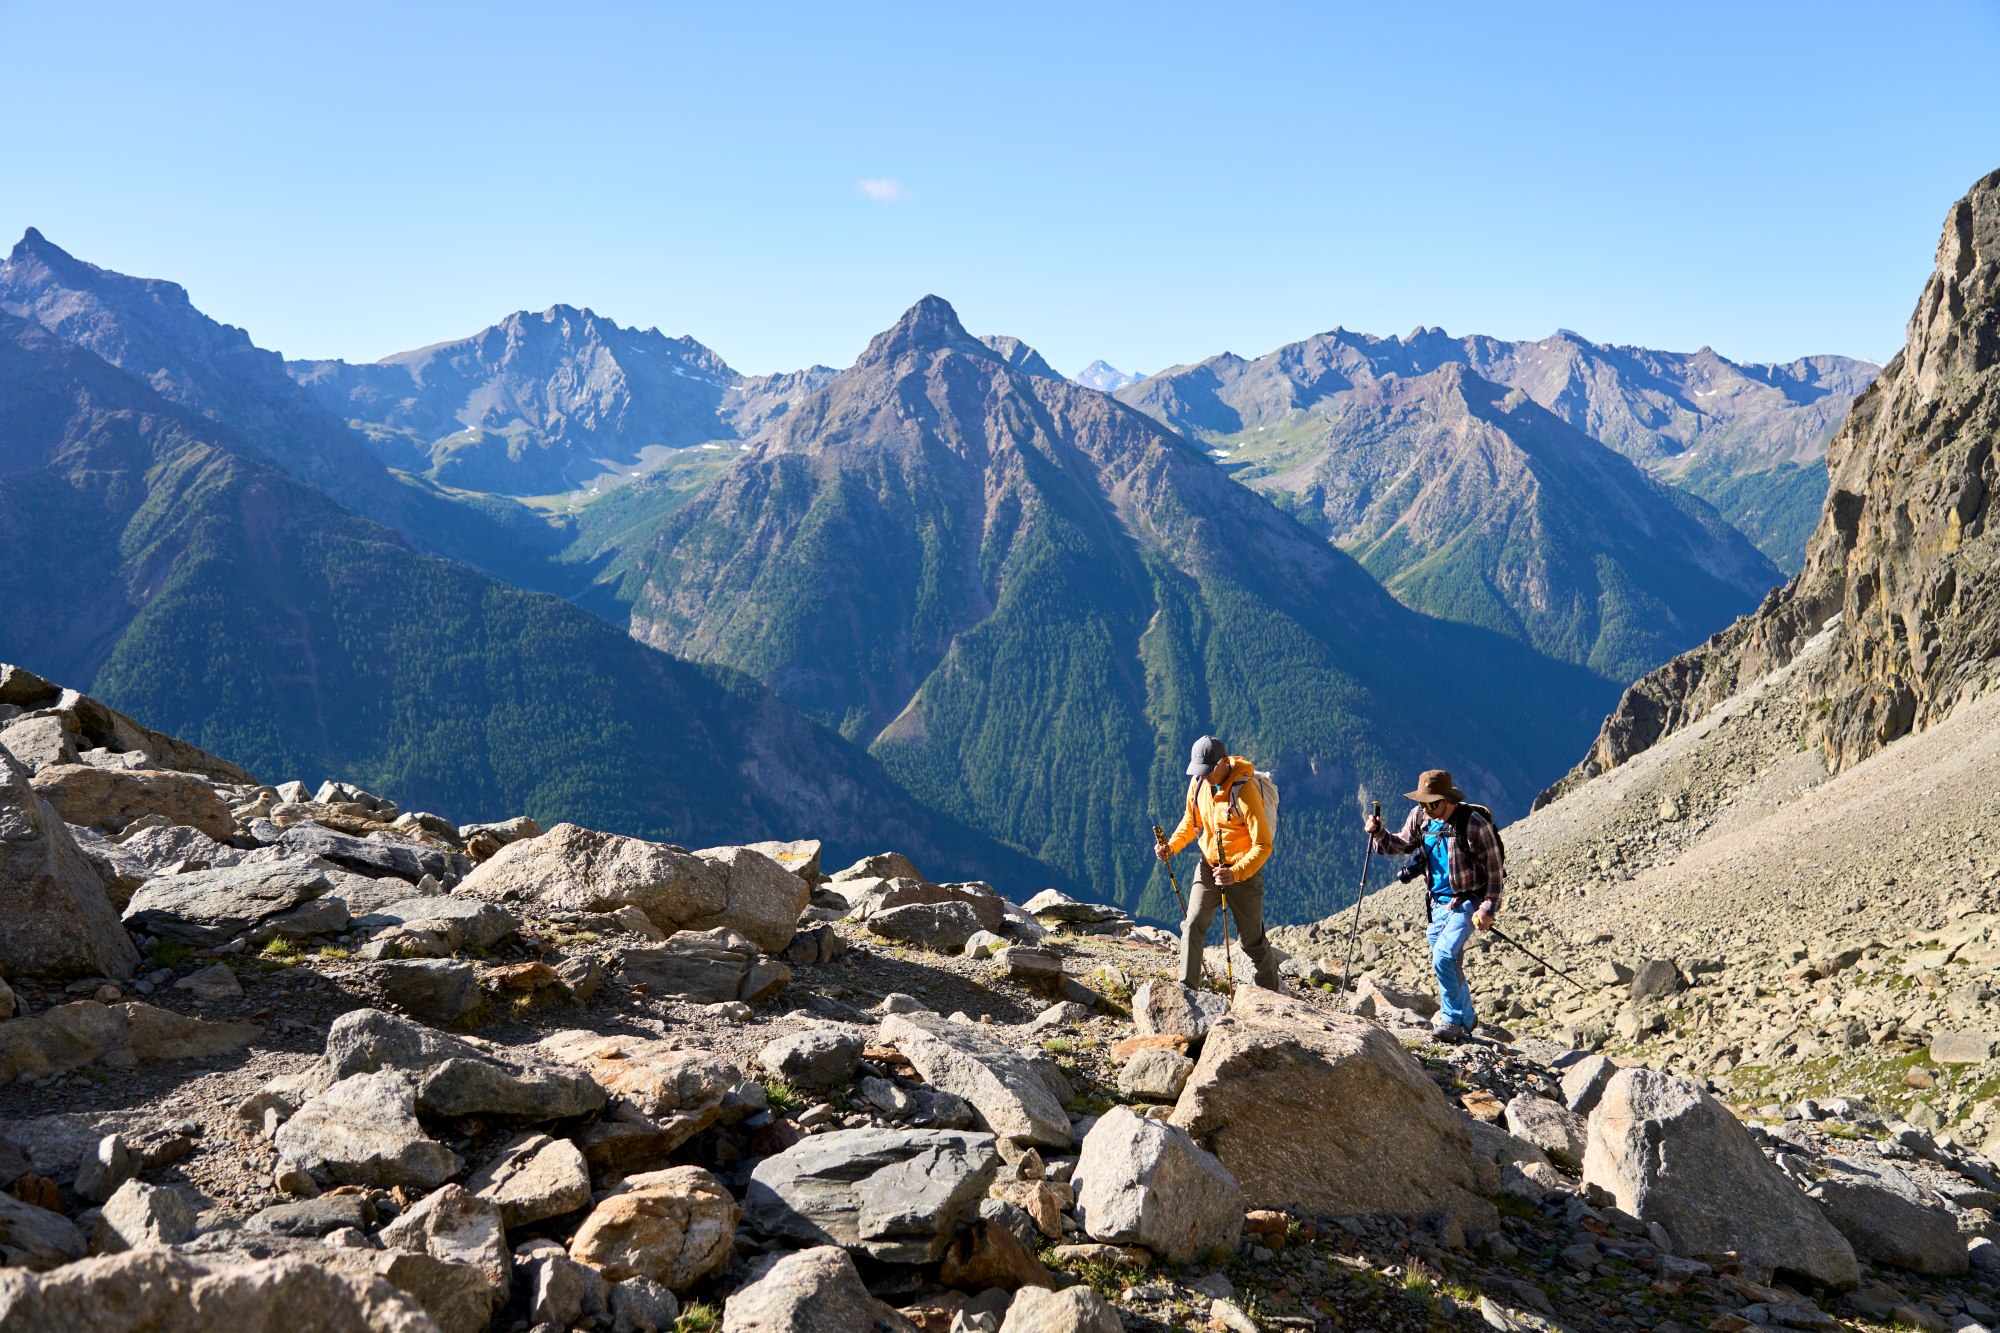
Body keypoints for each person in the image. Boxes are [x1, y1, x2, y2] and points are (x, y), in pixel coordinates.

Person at [1365, 769, 1502, 1042]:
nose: (1426, 808)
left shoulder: (1474, 825)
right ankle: (1467, 1016)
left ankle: (1452, 1021)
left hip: (1467, 901)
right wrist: (1380, 833)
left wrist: (1487, 909)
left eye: (1432, 803)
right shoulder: (1420, 817)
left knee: (1444, 957)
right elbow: (1402, 845)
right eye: (1422, 802)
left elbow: (1494, 873)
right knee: (1450, 962)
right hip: (1437, 904)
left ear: (1448, 799)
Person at [1156, 735, 1280, 991]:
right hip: (1208, 866)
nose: (1205, 776)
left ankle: (1272, 995)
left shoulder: (1244, 791)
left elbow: (1263, 845)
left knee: (1251, 941)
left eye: (1209, 770)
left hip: (1243, 875)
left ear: (1224, 762)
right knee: (1193, 924)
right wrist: (1171, 847)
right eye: (1200, 771)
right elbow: (1191, 823)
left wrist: (1235, 873)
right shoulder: (1199, 783)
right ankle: (1187, 990)